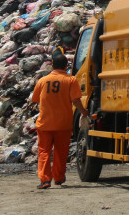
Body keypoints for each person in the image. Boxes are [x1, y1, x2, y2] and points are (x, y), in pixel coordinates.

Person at [30, 49, 88, 189]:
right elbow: (75, 100)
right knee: (61, 152)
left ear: (51, 65)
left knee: (44, 151)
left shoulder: (43, 81)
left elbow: (36, 100)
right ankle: (59, 177)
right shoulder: (71, 80)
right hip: (63, 124)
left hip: (45, 123)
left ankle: (44, 179)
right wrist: (84, 112)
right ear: (66, 66)